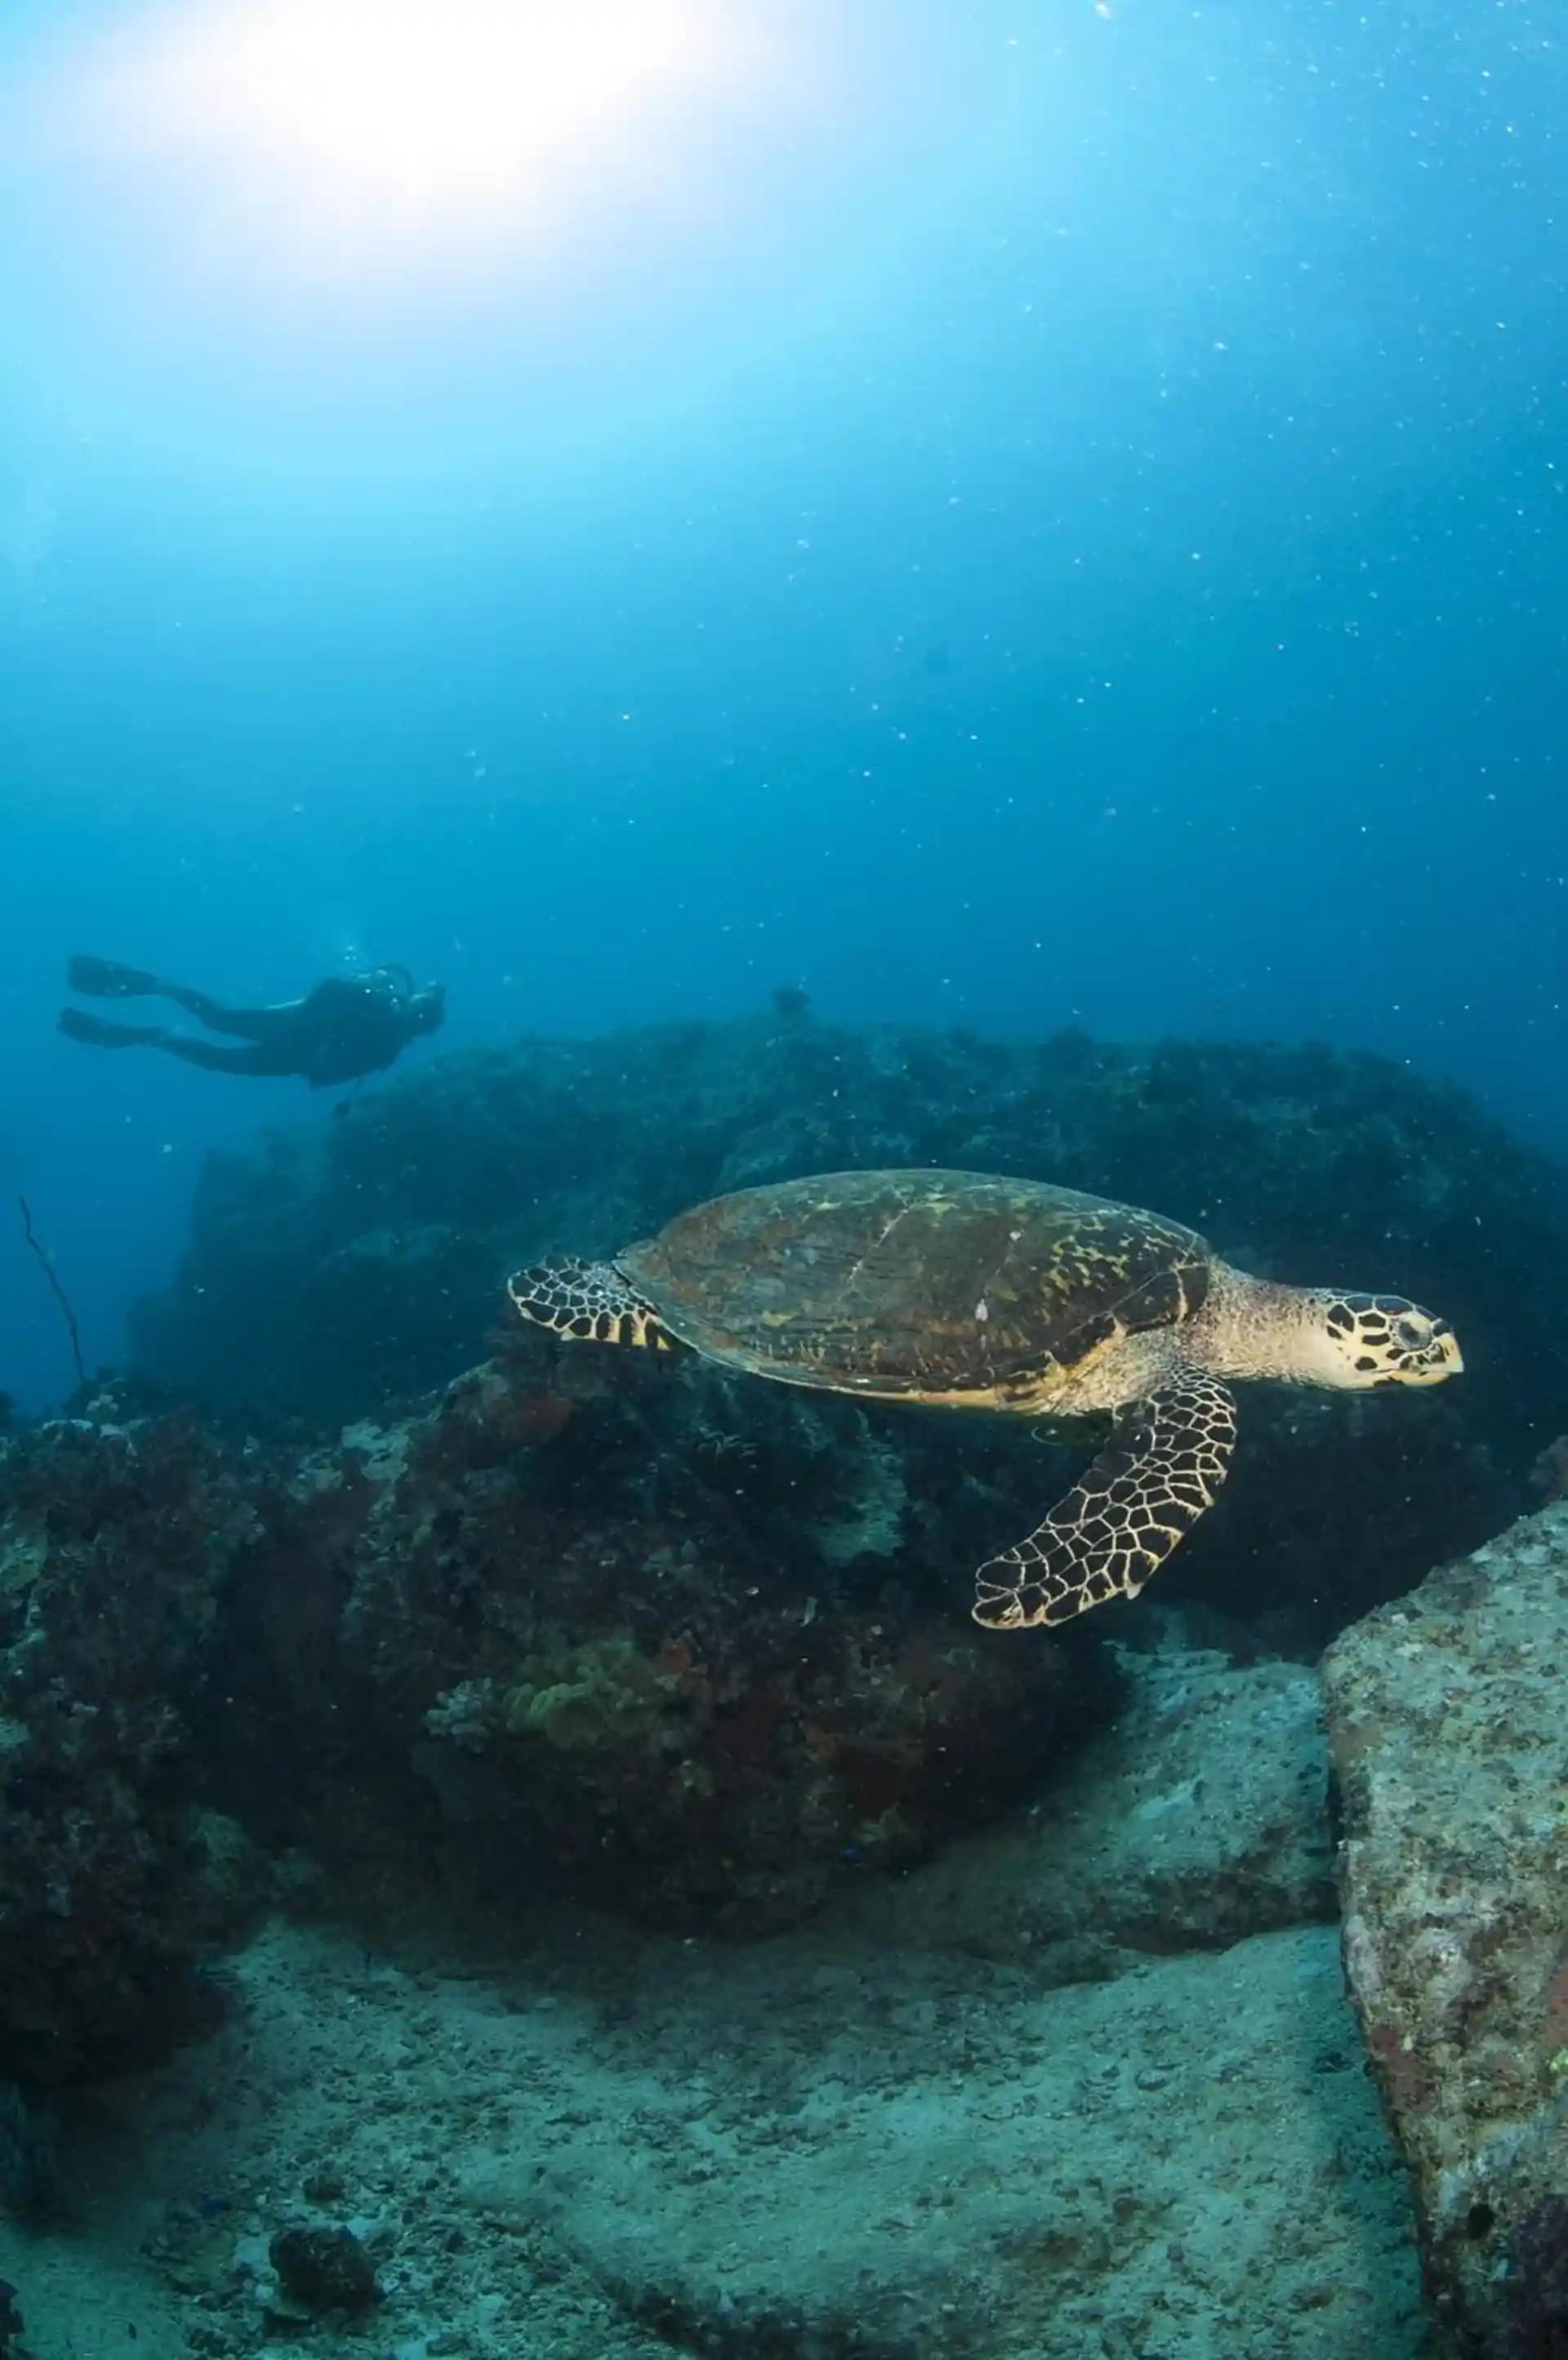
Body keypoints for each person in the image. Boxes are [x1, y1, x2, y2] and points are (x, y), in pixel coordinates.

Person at [58, 955, 446, 1088]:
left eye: (421, 1018)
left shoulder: (386, 1050)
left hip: (293, 1050)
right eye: (421, 1009)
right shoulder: (377, 999)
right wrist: (321, 1032)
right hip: (293, 1030)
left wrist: (323, 1055)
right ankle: (159, 990)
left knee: (215, 1050)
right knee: (219, 1022)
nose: (415, 1016)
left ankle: (151, 1032)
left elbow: (323, 1078)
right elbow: (328, 991)